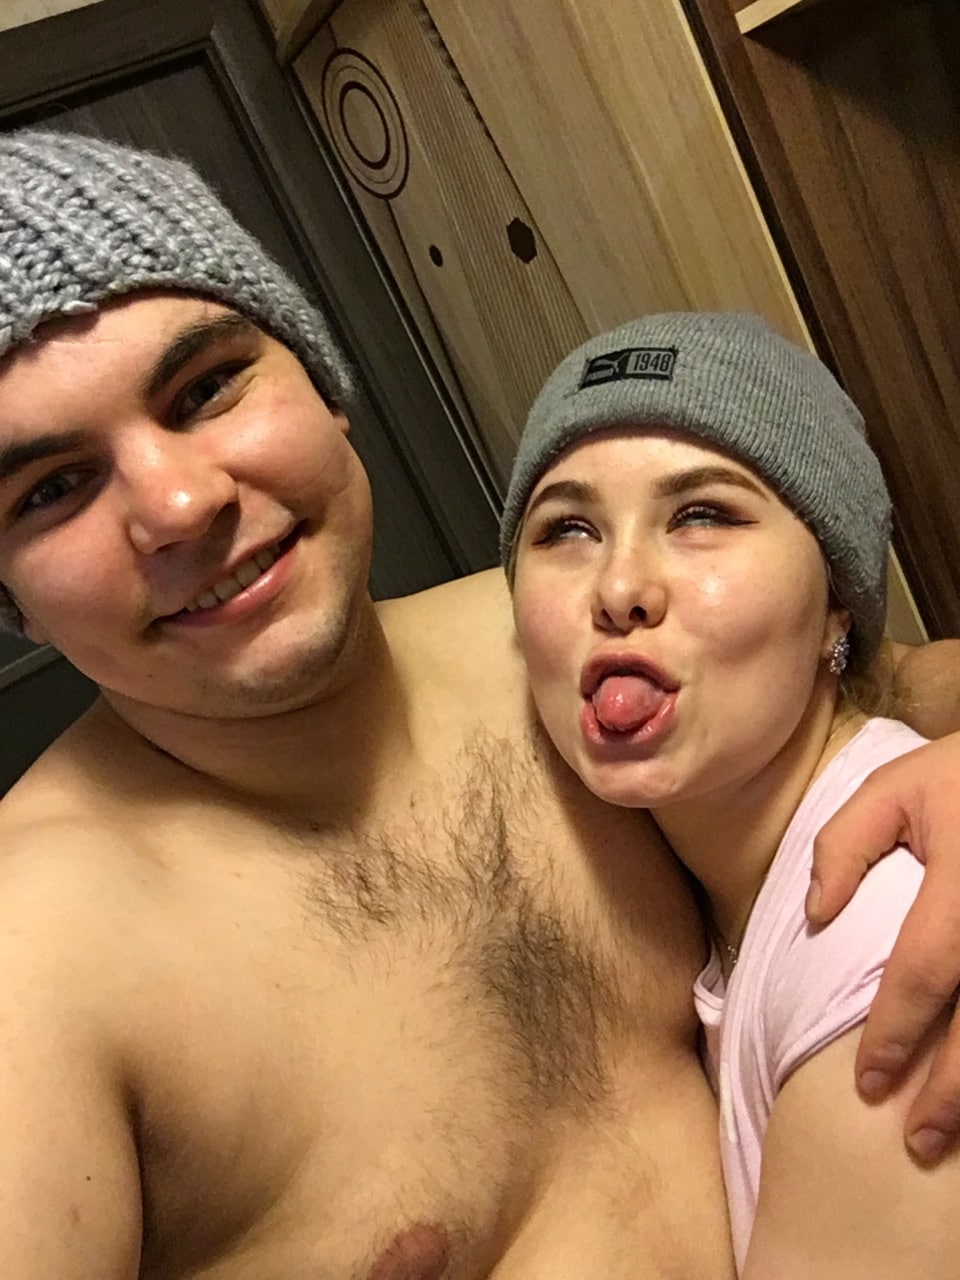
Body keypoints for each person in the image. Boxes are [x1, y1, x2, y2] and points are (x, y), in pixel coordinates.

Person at [0, 131, 955, 1278]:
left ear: (321, 384)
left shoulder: (546, 648)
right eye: (53, 487)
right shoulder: (39, 961)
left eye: (205, 389)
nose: (180, 502)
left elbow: (876, 682)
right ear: (15, 601)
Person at [501, 310, 960, 1276]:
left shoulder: (888, 944)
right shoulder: (736, 893)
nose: (619, 587)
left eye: (703, 516)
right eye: (567, 529)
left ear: (837, 607)